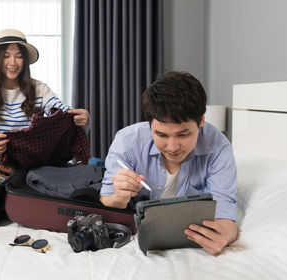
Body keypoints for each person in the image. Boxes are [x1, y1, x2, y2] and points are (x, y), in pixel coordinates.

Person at [99, 71, 238, 255]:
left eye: (183, 134)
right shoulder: (127, 141)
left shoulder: (218, 148)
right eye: (161, 135)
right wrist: (118, 197)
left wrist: (225, 235)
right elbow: (106, 200)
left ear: (201, 121)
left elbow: (224, 213)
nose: (172, 147)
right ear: (150, 126)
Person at [0, 29, 89, 153]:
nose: (13, 62)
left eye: (19, 56)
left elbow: (60, 112)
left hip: (32, 158)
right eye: (6, 56)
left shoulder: (40, 89)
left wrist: (78, 116)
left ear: (25, 60)